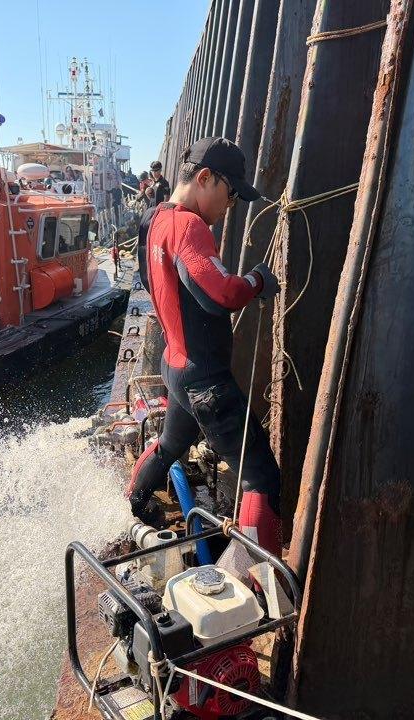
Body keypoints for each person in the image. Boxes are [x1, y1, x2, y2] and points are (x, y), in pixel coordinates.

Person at [128, 136, 282, 556]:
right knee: (260, 476)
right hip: (204, 381)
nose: (229, 206)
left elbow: (153, 280)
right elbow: (219, 293)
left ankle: (137, 500)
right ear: (204, 178)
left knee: (171, 445)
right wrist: (257, 281)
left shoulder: (154, 217)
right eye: (229, 195)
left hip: (174, 367)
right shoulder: (189, 226)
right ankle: (262, 582)